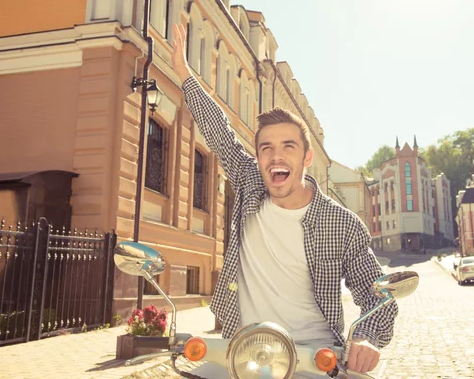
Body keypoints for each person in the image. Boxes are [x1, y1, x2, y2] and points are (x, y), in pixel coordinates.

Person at [170, 23, 398, 377]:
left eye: (288, 147)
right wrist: (185, 74)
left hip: (314, 357)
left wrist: (367, 337)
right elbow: (220, 133)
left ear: (307, 159)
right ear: (258, 157)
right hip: (242, 351)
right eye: (266, 148)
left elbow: (378, 297)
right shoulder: (250, 185)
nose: (276, 157)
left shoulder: (342, 224)